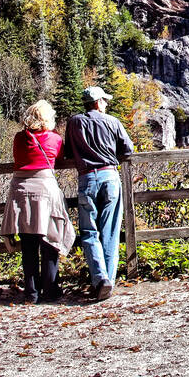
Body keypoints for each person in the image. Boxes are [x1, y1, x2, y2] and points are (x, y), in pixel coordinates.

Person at [63, 85, 135, 301]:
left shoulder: (74, 122)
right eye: (104, 100)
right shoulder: (112, 121)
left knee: (89, 231)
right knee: (110, 231)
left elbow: (67, 152)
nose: (107, 103)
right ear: (98, 102)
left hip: (87, 178)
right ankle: (108, 282)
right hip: (110, 177)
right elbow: (128, 149)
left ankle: (100, 278)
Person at [0, 100, 76, 304]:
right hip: (45, 189)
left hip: (20, 190)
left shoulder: (19, 138)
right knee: (50, 239)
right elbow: (59, 158)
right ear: (47, 119)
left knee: (29, 244)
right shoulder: (54, 139)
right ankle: (51, 289)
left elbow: (18, 158)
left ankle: (31, 293)